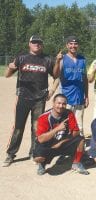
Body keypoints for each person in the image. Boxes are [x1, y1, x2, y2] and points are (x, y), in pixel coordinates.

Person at [3, 35, 59, 167]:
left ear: (42, 45)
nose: (36, 44)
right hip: (23, 97)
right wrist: (11, 67)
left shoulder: (47, 59)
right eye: (34, 42)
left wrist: (51, 91)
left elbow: (57, 77)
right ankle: (10, 154)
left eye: (39, 43)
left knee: (36, 128)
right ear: (29, 44)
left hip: (39, 99)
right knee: (18, 127)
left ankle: (34, 152)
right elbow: (7, 75)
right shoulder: (21, 57)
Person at [33, 94, 89, 175]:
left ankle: (76, 163)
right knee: (38, 158)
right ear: (53, 103)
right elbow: (41, 139)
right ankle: (42, 164)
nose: (61, 106)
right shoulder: (44, 117)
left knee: (80, 139)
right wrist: (57, 129)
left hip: (62, 142)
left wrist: (62, 141)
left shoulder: (69, 114)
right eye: (58, 103)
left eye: (63, 104)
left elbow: (76, 132)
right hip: (48, 144)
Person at [51, 36, 89, 138]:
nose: (73, 46)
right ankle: (63, 147)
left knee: (79, 125)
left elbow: (85, 79)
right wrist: (57, 61)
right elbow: (55, 75)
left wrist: (87, 96)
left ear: (78, 45)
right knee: (64, 124)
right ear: (67, 45)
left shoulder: (82, 59)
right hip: (66, 98)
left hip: (79, 97)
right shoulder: (63, 59)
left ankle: (79, 149)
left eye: (75, 44)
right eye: (71, 44)